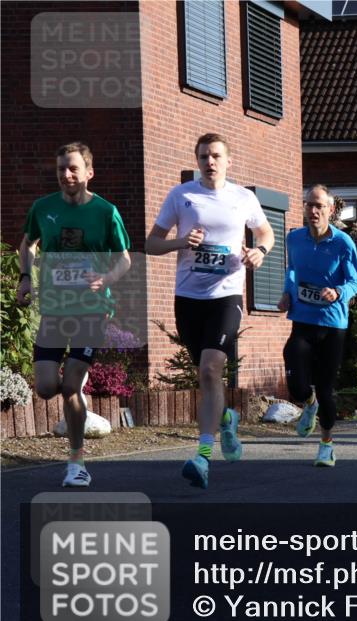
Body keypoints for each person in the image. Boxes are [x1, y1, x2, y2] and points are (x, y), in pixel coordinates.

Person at [146, 133, 274, 489]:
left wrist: (260, 252)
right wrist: (180, 241)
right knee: (207, 377)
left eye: (216, 155)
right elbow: (151, 243)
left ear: (228, 161)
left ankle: (202, 457)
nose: (210, 162)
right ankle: (226, 417)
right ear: (197, 161)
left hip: (226, 295)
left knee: (210, 368)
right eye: (203, 156)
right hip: (188, 297)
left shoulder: (243, 197)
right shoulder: (181, 195)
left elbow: (266, 233)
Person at [16, 142, 132, 487]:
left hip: (92, 311)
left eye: (73, 169)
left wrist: (106, 278)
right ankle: (75, 394)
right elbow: (28, 243)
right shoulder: (43, 208)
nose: (66, 175)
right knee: (45, 387)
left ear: (88, 173)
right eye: (61, 169)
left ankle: (76, 462)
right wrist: (26, 277)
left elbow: (124, 258)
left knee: (69, 385)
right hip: (54, 309)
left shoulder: (106, 212)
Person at [277, 185, 357, 466]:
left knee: (326, 389)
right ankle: (308, 402)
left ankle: (326, 445)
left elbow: (355, 281)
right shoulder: (294, 239)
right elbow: (292, 270)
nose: (313, 211)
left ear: (330, 210)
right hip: (302, 320)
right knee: (297, 381)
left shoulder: (343, 243)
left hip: (332, 325)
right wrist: (287, 293)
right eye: (309, 205)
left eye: (319, 206)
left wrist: (338, 292)